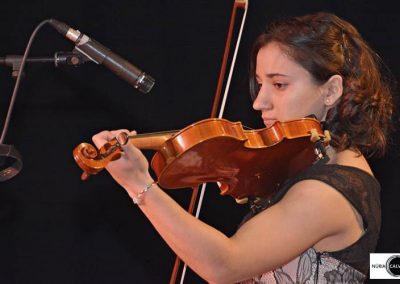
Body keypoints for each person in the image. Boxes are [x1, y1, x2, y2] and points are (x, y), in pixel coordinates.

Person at [91, 12, 394, 283]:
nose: (259, 103)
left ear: (331, 90)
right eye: (260, 84)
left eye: (279, 85)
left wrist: (139, 184)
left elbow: (225, 265)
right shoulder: (313, 167)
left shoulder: (329, 193)